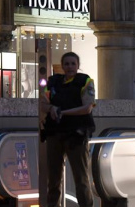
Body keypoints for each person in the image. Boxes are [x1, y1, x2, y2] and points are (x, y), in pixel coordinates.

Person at [40, 52, 96, 207]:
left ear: (78, 66)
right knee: (53, 180)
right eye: (67, 64)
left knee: (81, 179)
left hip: (76, 135)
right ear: (62, 66)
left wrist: (62, 112)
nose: (70, 67)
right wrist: (51, 108)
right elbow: (42, 104)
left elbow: (87, 108)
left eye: (73, 64)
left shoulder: (85, 81)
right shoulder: (54, 82)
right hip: (55, 133)